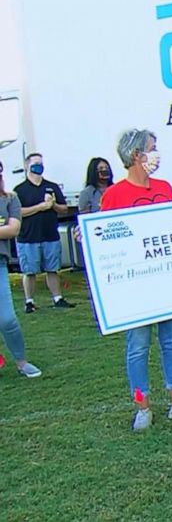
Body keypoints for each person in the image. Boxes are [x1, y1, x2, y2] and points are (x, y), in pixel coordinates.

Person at [100, 128, 172, 431]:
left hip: (168, 284)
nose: (156, 153)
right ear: (136, 155)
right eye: (152, 148)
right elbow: (105, 238)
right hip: (135, 288)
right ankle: (142, 406)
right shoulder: (114, 195)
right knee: (137, 346)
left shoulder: (164, 187)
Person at [12, 153, 75, 313]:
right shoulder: (19, 190)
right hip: (28, 237)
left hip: (50, 235)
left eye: (41, 163)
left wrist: (53, 204)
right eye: (35, 164)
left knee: (52, 269)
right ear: (27, 166)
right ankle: (29, 301)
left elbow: (64, 208)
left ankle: (57, 298)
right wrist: (39, 207)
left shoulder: (51, 187)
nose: (39, 166)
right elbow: (18, 212)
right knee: (29, 271)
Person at [0, 160, 42, 378]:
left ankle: (21, 361)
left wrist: (5, 228)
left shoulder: (10, 199)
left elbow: (13, 229)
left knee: (6, 318)